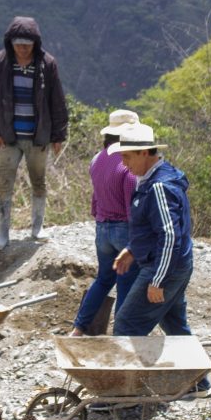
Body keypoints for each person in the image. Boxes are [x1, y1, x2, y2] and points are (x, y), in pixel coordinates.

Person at [109, 123, 210, 398]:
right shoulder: (152, 180)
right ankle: (198, 384)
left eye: (127, 157)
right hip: (171, 265)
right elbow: (154, 229)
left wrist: (158, 279)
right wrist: (132, 249)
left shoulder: (159, 187)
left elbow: (169, 236)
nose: (124, 164)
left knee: (127, 324)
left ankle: (124, 393)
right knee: (174, 323)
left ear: (144, 152)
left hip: (165, 268)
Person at [0, 16, 69, 251]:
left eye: (27, 45)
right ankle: (2, 233)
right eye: (18, 44)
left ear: (35, 44)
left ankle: (37, 228)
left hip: (38, 136)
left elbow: (57, 100)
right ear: (10, 42)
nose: (22, 49)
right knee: (4, 184)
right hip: (8, 136)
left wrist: (58, 135)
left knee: (38, 181)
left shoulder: (47, 64)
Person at [69, 109, 140, 336]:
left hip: (102, 228)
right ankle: (120, 335)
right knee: (126, 283)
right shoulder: (128, 163)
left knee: (103, 280)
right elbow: (132, 207)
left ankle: (78, 328)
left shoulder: (97, 159)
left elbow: (95, 199)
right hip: (123, 229)